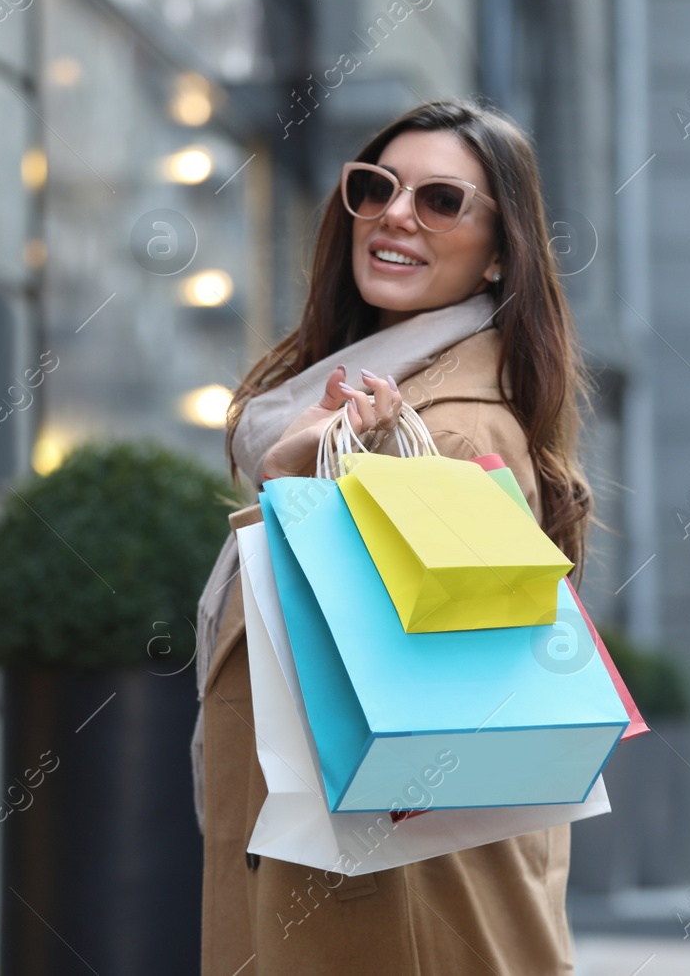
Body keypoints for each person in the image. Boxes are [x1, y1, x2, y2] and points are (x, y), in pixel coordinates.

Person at [191, 99, 594, 975]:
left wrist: (290, 491)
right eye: (376, 188)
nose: (396, 214)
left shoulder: (447, 435)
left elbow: (391, 702)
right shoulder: (369, 403)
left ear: (499, 254)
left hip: (394, 902)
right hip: (366, 883)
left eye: (442, 200)